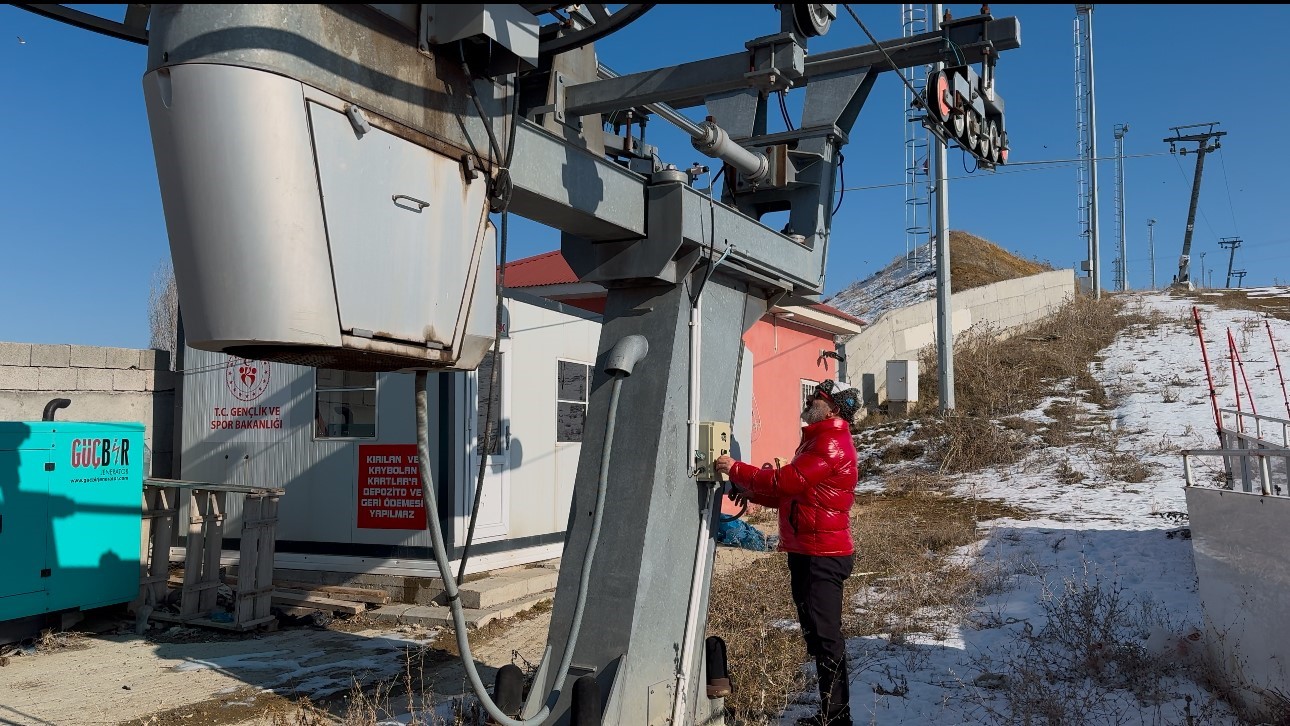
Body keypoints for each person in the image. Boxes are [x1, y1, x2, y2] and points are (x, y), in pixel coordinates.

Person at [715, 379, 861, 726]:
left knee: (827, 639)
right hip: (807, 550)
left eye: (819, 397)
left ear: (834, 409)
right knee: (816, 635)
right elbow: (791, 495)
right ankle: (831, 711)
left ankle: (837, 717)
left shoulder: (831, 443)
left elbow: (787, 481)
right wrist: (750, 493)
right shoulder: (816, 438)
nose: (811, 399)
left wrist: (735, 469)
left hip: (822, 554)